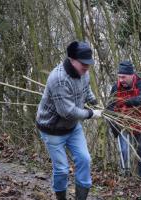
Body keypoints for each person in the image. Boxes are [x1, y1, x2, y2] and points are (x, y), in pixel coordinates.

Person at [36, 41, 103, 200]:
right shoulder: (59, 79)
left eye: (89, 63)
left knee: (84, 159)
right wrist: (91, 113)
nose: (87, 67)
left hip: (72, 128)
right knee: (62, 169)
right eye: (83, 63)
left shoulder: (83, 72)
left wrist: (95, 102)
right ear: (72, 59)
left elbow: (86, 90)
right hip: (52, 129)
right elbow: (67, 112)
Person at [107, 60, 141, 186]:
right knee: (123, 152)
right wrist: (115, 128)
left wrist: (127, 102)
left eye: (123, 77)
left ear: (131, 75)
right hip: (123, 125)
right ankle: (125, 180)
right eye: (119, 77)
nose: (121, 80)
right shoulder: (116, 88)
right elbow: (109, 109)